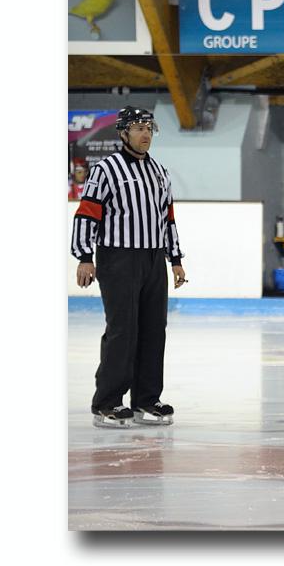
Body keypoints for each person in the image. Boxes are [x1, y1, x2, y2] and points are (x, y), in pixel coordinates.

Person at [71, 106, 187, 428]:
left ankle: (146, 400)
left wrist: (175, 259)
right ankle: (106, 402)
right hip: (118, 258)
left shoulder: (160, 172)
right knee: (122, 330)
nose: (145, 134)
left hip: (153, 259)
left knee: (154, 329)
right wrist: (84, 256)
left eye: (148, 128)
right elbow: (87, 213)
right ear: (123, 133)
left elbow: (168, 219)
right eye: (138, 128)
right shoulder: (106, 170)